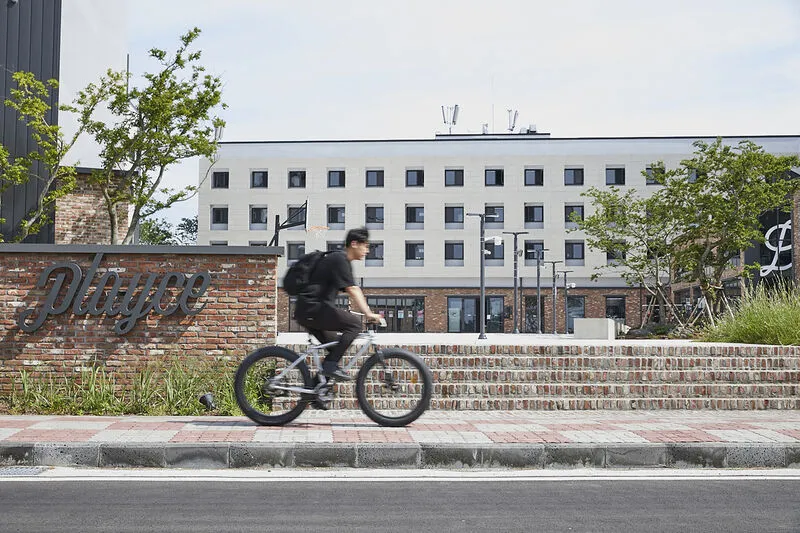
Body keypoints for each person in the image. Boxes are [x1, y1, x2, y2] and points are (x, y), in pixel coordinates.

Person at [294, 227, 382, 380]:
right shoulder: (339, 260)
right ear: (354, 243)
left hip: (309, 310)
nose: (367, 251)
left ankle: (316, 390)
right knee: (355, 325)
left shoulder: (339, 261)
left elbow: (345, 288)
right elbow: (353, 289)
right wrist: (368, 314)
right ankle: (329, 366)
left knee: (335, 351)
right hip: (313, 309)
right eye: (366, 246)